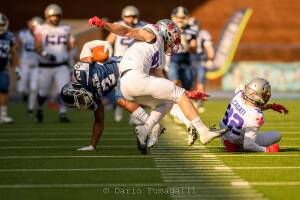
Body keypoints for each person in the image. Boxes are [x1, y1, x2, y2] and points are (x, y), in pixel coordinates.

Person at [88, 17, 224, 152]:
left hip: (127, 86)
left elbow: (163, 84)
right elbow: (126, 31)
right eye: (174, 38)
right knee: (177, 94)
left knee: (168, 101)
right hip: (135, 78)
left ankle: (145, 130)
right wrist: (104, 24)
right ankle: (203, 131)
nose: (174, 42)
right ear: (167, 32)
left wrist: (188, 94)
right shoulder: (152, 34)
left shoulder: (160, 54)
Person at [60, 40, 164, 151]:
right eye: (78, 104)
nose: (81, 104)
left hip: (127, 65)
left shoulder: (82, 72)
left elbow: (87, 46)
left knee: (121, 99)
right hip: (126, 76)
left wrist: (105, 43)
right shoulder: (94, 99)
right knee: (151, 96)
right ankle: (153, 124)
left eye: (79, 100)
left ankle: (152, 125)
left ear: (76, 88)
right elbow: (99, 122)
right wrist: (92, 146)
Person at [220, 78, 288, 152]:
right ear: (254, 94)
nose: (267, 95)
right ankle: (238, 146)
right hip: (238, 141)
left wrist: (269, 106)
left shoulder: (238, 96)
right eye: (264, 94)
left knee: (250, 130)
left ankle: (232, 144)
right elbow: (248, 145)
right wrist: (267, 150)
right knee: (277, 135)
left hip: (225, 136)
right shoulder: (256, 115)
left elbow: (247, 107)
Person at [106, 5, 147, 123]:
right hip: (119, 61)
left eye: (133, 16)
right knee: (121, 90)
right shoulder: (118, 25)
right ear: (123, 17)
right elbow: (109, 41)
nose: (130, 19)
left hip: (136, 62)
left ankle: (134, 115)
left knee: (137, 89)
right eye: (128, 16)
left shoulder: (143, 26)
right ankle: (119, 107)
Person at [34, 4, 73, 123]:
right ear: (47, 16)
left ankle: (63, 113)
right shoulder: (41, 29)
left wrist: (66, 56)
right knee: (42, 92)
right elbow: (37, 46)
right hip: (45, 66)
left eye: (57, 16)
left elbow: (69, 46)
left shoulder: (65, 28)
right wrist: (46, 54)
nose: (55, 18)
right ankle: (40, 109)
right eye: (53, 16)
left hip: (61, 65)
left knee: (64, 90)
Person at [17, 17, 43, 115]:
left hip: (36, 66)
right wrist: (16, 62)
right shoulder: (24, 34)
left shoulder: (42, 36)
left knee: (34, 88)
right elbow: (16, 47)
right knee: (21, 89)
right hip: (25, 65)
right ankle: (24, 95)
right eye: (33, 26)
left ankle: (30, 109)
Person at [168, 6, 198, 90]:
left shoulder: (191, 29)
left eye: (183, 18)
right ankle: (173, 103)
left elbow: (194, 47)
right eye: (178, 18)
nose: (180, 20)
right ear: (173, 17)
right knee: (174, 83)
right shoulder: (168, 28)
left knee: (187, 87)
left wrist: (187, 46)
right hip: (172, 60)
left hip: (186, 61)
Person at [189, 17, 215, 113]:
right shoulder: (186, 32)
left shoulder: (203, 34)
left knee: (200, 81)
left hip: (200, 59)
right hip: (188, 59)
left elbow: (209, 47)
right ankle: (190, 101)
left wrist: (210, 58)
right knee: (189, 81)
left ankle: (199, 102)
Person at [0, 13, 19, 124]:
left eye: (2, 24)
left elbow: (13, 52)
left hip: (2, 67)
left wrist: (17, 68)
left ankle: (3, 115)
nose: (1, 27)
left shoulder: (10, 36)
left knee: (4, 90)